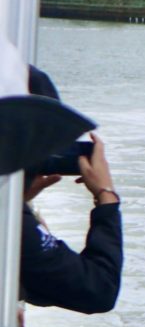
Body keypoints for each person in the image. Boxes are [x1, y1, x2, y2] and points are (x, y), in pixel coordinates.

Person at [21, 66, 123, 314]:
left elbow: (35, 278)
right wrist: (105, 196)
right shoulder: (9, 223)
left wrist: (17, 199)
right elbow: (98, 289)